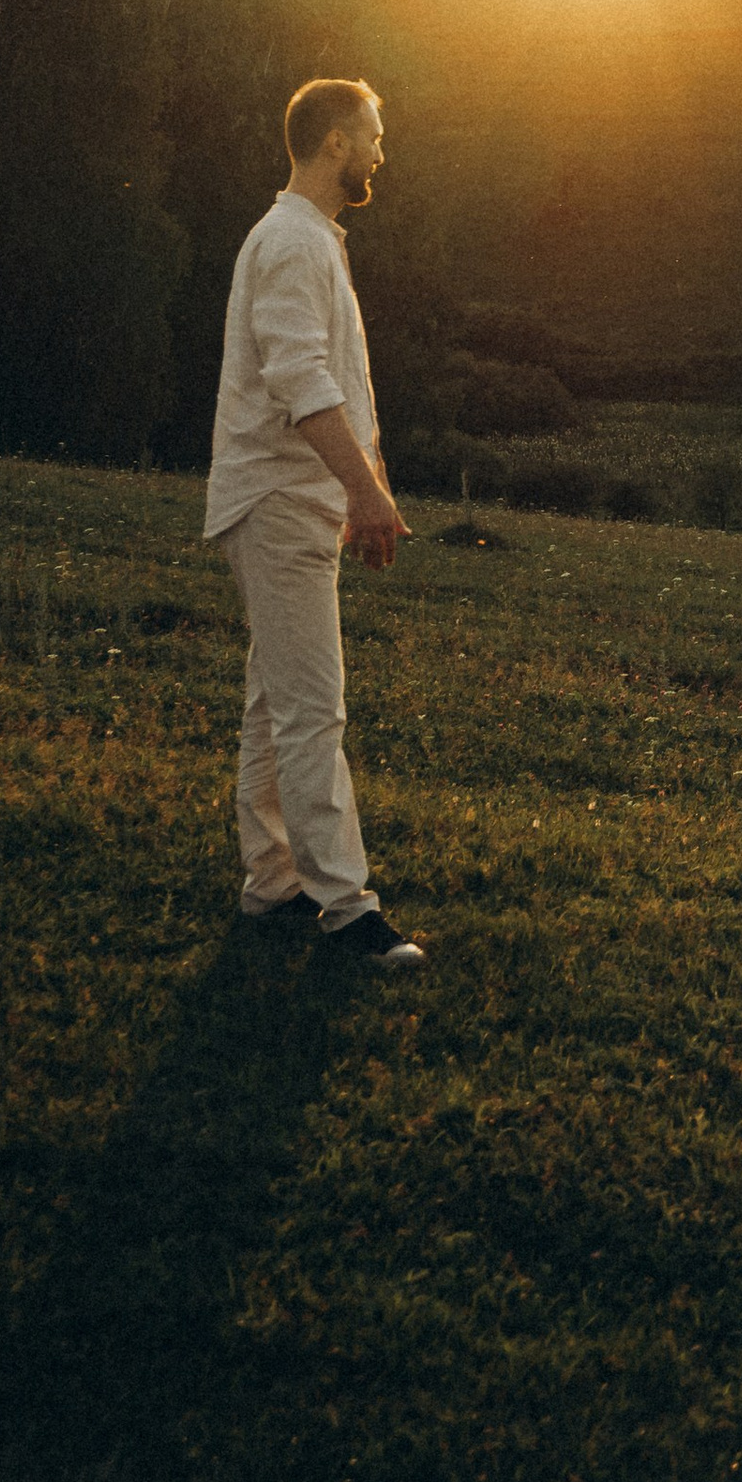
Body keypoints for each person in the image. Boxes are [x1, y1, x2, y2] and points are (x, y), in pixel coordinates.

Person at [203, 78, 424, 968]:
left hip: (291, 502)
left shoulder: (306, 239)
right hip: (279, 503)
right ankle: (345, 911)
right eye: (371, 136)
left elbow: (330, 381)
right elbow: (300, 382)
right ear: (334, 142)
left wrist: (362, 483)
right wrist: (366, 494)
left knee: (274, 702)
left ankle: (272, 882)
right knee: (311, 709)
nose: (379, 152)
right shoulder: (292, 243)